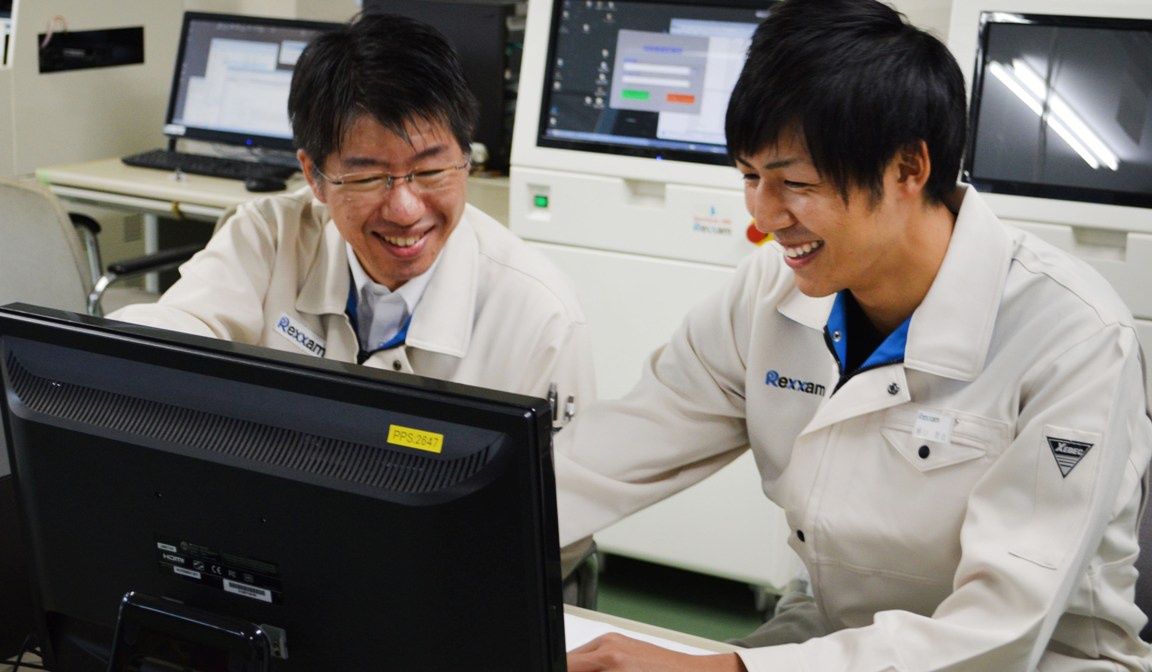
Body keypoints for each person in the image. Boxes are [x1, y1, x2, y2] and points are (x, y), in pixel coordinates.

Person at [557, 0, 1152, 670]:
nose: (764, 216)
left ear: (908, 169)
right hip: (831, 636)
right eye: (750, 177)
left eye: (796, 183)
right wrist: (479, 537)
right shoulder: (768, 294)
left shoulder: (1072, 336)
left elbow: (1001, 628)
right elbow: (612, 454)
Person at [109, 13, 594, 421]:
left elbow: (564, 499)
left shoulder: (539, 315)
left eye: (430, 171)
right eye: (367, 178)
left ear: (467, 160)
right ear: (314, 177)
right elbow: (176, 327)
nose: (405, 210)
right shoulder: (268, 236)